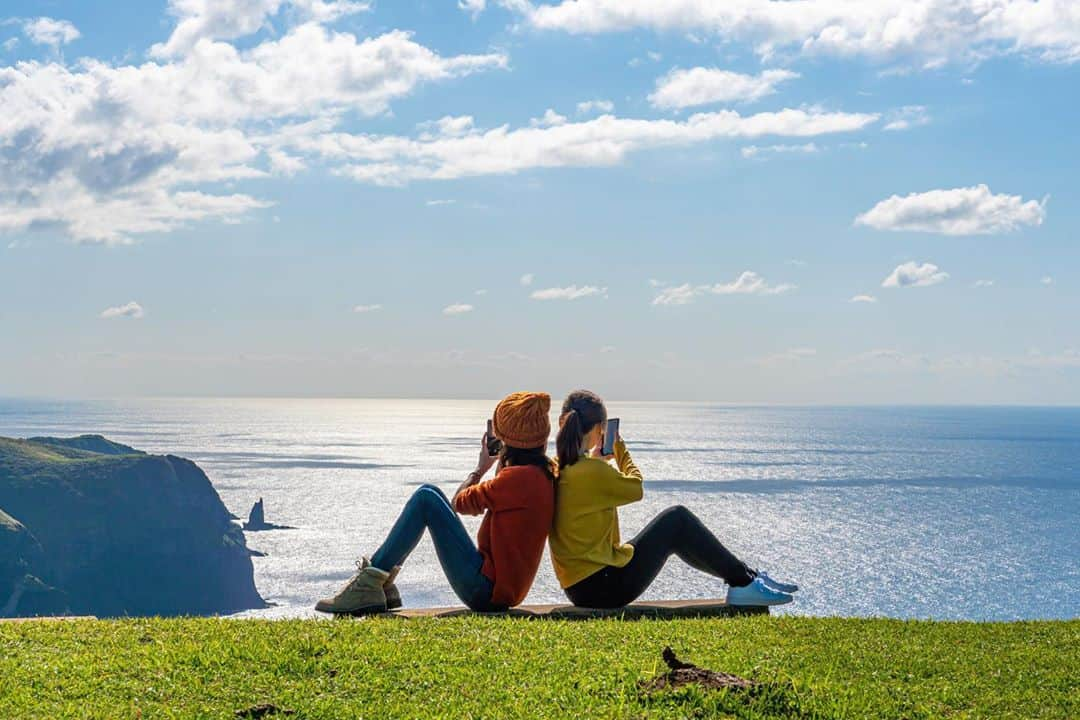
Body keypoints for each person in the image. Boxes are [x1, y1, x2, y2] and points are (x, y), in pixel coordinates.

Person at [548, 389, 798, 609]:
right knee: (676, 521)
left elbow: (586, 481)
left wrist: (598, 461)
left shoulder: (561, 467)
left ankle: (746, 578)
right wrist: (621, 452)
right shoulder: (592, 471)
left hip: (581, 588)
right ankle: (744, 582)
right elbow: (636, 487)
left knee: (676, 532)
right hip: (606, 588)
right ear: (599, 429)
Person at [316, 391, 556, 615]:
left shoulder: (518, 479)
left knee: (426, 499)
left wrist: (479, 469)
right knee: (429, 492)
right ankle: (382, 585)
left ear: (507, 439)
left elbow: (461, 503)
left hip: (487, 591)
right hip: (501, 589)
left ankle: (369, 584)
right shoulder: (541, 474)